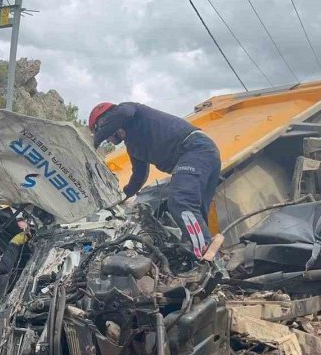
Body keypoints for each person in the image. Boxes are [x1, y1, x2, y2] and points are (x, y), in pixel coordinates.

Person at [89, 102, 222, 258]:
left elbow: (123, 113)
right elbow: (139, 176)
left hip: (194, 149)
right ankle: (201, 260)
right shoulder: (133, 146)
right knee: (194, 211)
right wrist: (122, 196)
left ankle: (204, 257)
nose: (108, 140)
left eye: (105, 133)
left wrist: (94, 142)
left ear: (106, 121)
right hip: (203, 154)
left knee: (181, 200)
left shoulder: (131, 111)